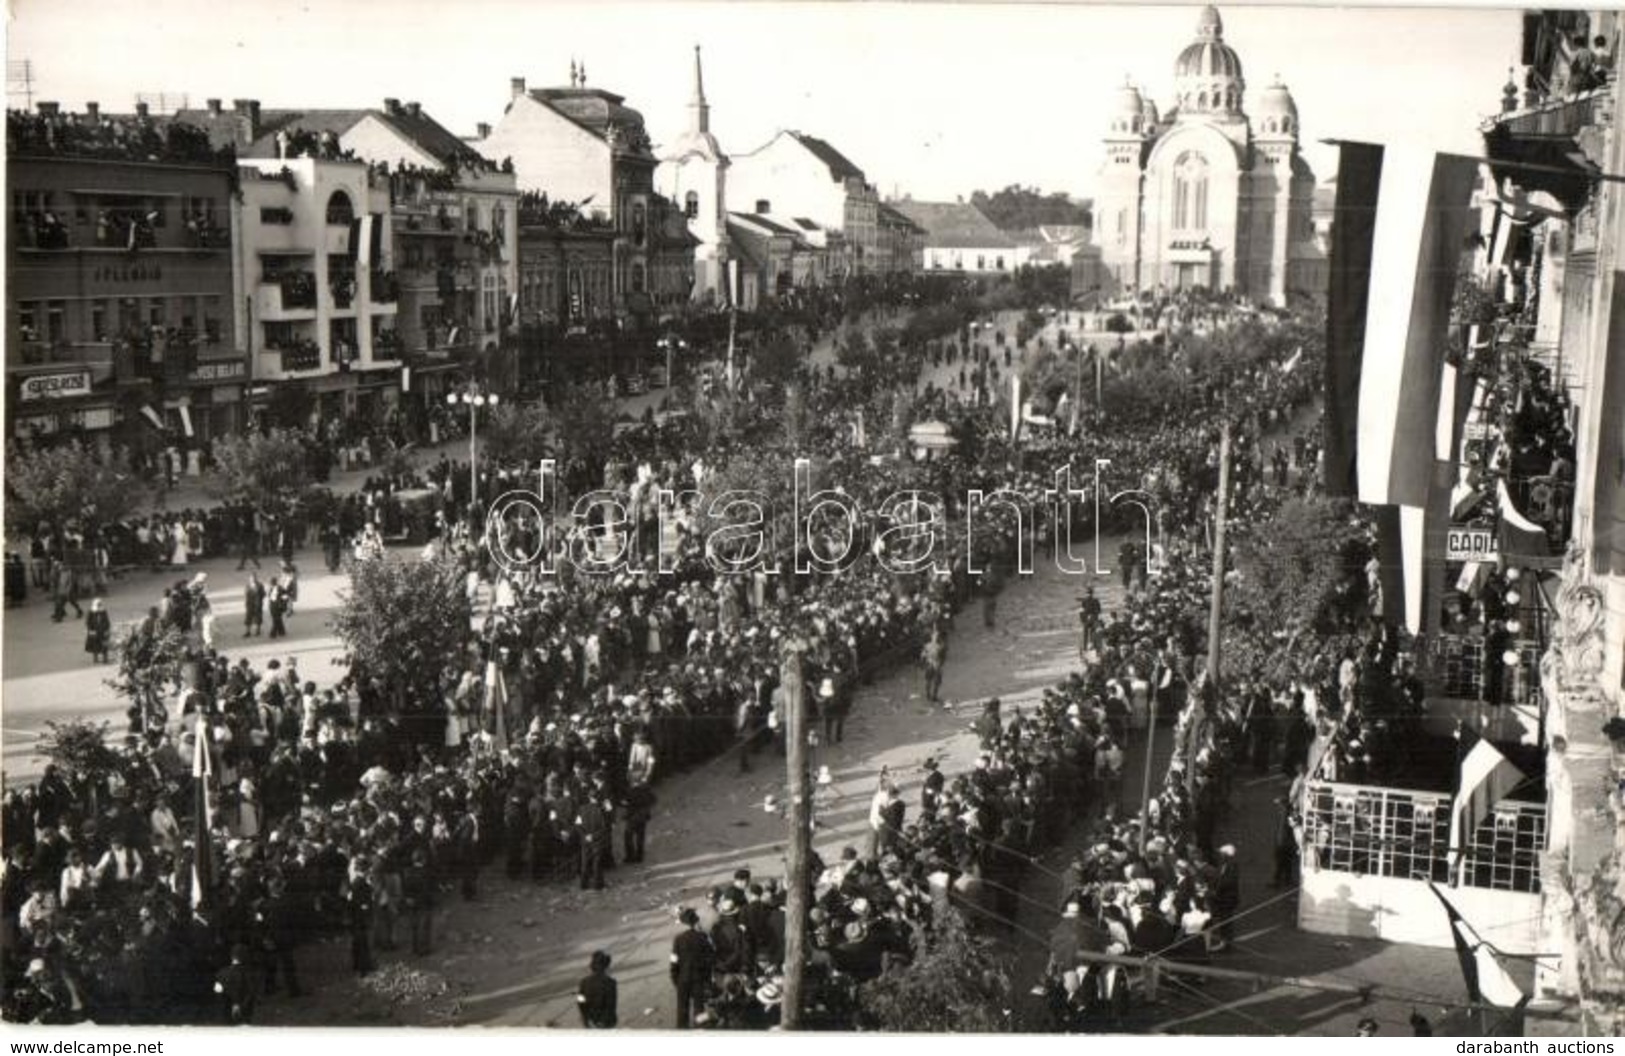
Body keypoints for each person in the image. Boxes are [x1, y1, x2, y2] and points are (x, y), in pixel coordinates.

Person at [670, 907, 714, 1029]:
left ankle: (682, 1030)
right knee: (699, 1009)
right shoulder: (702, 937)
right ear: (695, 922)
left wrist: (675, 978)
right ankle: (700, 1030)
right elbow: (710, 959)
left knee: (682, 1009)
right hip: (698, 979)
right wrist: (707, 979)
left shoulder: (678, 939)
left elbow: (674, 961)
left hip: (682, 979)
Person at [215, 943, 257, 1025]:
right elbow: (251, 991)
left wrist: (232, 1003)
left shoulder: (221, 973)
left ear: (232, 956)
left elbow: (218, 992)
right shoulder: (251, 973)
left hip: (226, 1012)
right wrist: (239, 1004)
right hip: (244, 1011)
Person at [576, 950, 618, 1028]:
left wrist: (586, 1018)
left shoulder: (584, 982)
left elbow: (580, 1001)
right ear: (606, 966)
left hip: (589, 1021)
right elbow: (611, 1006)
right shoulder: (610, 983)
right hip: (606, 1023)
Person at [84, 599, 111, 664]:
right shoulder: (91, 612)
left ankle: (105, 659)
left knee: (104, 645)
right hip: (94, 631)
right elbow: (88, 622)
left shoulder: (104, 612)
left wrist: (107, 630)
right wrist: (90, 630)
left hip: (102, 631)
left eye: (100, 605)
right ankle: (95, 658)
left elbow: (107, 621)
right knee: (95, 645)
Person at [243, 573, 265, 638]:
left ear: (256, 578)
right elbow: (246, 594)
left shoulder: (260, 585)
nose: (253, 579)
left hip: (257, 604)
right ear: (249, 579)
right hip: (249, 604)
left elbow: (263, 594)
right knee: (248, 618)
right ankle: (247, 631)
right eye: (251, 578)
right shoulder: (247, 585)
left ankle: (257, 631)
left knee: (257, 618)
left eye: (254, 578)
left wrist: (259, 600)